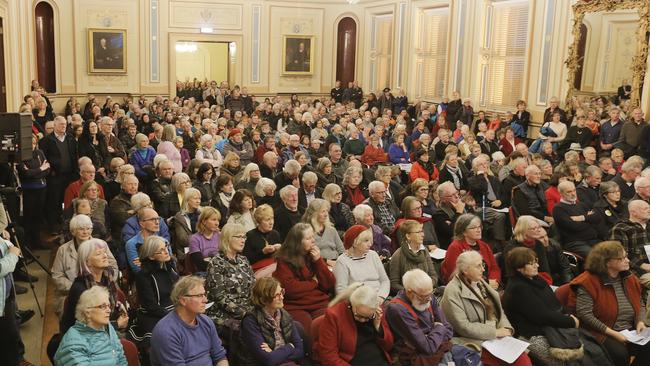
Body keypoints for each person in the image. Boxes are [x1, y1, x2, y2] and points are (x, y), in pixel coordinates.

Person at [440, 251, 532, 366]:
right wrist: (495, 332)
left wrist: (506, 328)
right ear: (465, 270)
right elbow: (463, 327)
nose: (483, 269)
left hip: (494, 337)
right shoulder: (452, 291)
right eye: (478, 266)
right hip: (471, 341)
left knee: (523, 359)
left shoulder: (480, 282)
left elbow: (499, 312)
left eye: (482, 265)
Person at [569, 241, 650, 366]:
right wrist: (614, 334)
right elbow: (585, 314)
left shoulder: (629, 277)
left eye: (626, 256)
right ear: (607, 262)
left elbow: (639, 301)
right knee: (620, 353)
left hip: (630, 329)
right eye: (621, 258)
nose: (627, 260)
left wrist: (640, 321)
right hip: (602, 331)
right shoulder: (588, 282)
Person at [502, 247, 580, 365]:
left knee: (586, 349)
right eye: (531, 264)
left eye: (536, 262)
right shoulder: (518, 288)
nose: (537, 266)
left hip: (549, 325)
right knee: (563, 362)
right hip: (530, 333)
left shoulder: (536, 279)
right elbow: (540, 316)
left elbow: (555, 304)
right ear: (519, 268)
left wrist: (567, 317)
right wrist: (569, 321)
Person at [385, 269, 466, 366]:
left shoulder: (428, 296)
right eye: (424, 296)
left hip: (438, 349)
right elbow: (427, 348)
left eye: (431, 293)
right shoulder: (397, 309)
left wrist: (432, 337)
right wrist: (439, 328)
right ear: (410, 292)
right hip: (415, 357)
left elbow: (448, 330)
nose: (430, 298)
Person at [150, 276, 229, 366]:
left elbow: (220, 356)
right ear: (183, 300)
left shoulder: (206, 321)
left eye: (204, 295)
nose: (205, 300)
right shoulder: (166, 332)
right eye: (199, 296)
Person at [273, 223, 336, 333]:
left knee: (327, 324)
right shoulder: (284, 259)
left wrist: (318, 261)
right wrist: (313, 283)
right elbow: (290, 289)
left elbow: (329, 283)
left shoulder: (313, 255)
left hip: (317, 301)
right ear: (297, 242)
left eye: (312, 236)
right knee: (307, 328)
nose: (313, 241)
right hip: (295, 305)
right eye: (308, 238)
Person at [51, 215, 118, 316]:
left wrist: (103, 285)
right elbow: (57, 276)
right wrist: (77, 289)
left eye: (88, 228)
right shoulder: (63, 250)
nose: (85, 232)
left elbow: (113, 267)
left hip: (102, 288)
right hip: (70, 292)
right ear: (73, 231)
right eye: (81, 229)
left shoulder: (101, 245)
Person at [60, 239, 127, 335]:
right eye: (99, 254)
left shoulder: (107, 278)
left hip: (107, 327)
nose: (105, 256)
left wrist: (119, 306)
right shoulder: (80, 288)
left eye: (104, 252)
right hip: (84, 336)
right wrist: (117, 324)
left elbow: (111, 303)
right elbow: (87, 326)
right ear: (87, 262)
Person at [316, 283, 394, 365]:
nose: (363, 320)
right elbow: (328, 356)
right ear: (351, 304)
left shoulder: (376, 312)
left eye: (368, 317)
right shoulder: (335, 315)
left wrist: (378, 327)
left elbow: (388, 346)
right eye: (359, 316)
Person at [240, 277, 307, 365]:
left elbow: (300, 351)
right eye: (277, 295)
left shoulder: (284, 315)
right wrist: (290, 347)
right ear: (264, 299)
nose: (282, 297)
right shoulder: (250, 321)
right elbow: (268, 360)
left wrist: (275, 353)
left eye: (282, 292)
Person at [54, 286, 128, 366]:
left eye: (108, 306)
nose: (109, 310)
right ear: (87, 312)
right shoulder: (73, 344)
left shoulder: (107, 327)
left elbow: (121, 357)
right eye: (103, 306)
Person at [129, 236, 179, 349]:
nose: (166, 251)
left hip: (175, 310)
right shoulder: (143, 275)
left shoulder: (170, 267)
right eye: (161, 250)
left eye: (165, 247)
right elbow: (150, 306)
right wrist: (174, 316)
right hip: (154, 315)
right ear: (151, 256)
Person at [205, 223, 255, 333]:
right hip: (224, 314)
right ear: (227, 238)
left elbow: (254, 288)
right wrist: (244, 313)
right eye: (239, 237)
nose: (243, 240)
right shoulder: (216, 263)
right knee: (250, 329)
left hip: (249, 311)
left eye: (244, 237)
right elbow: (219, 297)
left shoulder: (243, 260)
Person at [505, 215, 573, 285]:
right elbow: (514, 275)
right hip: (523, 285)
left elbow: (545, 271)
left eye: (539, 227)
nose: (539, 230)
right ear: (524, 231)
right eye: (534, 228)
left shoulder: (538, 244)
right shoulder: (512, 248)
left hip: (543, 281)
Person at [441, 214, 501, 288]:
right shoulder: (455, 247)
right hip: (466, 289)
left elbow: (494, 268)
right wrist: (486, 283)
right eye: (473, 228)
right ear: (463, 232)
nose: (478, 230)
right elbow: (456, 276)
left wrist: (495, 281)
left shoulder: (484, 245)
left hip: (488, 286)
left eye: (479, 227)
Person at [335, 225, 390, 298]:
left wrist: (381, 297)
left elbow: (385, 281)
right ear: (355, 242)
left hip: (379, 298)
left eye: (370, 240)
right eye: (366, 241)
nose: (370, 244)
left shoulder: (373, 255)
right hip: (359, 302)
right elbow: (341, 290)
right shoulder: (342, 261)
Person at [552, 180, 601, 257]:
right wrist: (589, 219)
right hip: (575, 242)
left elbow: (597, 218)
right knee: (596, 256)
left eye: (574, 190)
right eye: (569, 192)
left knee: (611, 250)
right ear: (561, 193)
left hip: (592, 239)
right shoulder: (558, 209)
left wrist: (582, 218)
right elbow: (573, 226)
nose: (573, 193)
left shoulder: (581, 204)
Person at [389, 220, 438, 293]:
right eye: (418, 232)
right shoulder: (397, 255)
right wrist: (412, 292)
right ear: (408, 236)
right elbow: (394, 284)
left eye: (422, 231)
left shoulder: (424, 251)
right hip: (408, 295)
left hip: (427, 291)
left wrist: (427, 287)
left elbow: (433, 276)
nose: (423, 235)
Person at [0, 230, 22, 365]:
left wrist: (7, 244)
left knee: (11, 337)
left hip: (6, 298)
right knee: (8, 340)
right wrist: (13, 255)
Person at [303, 198, 344, 266]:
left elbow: (341, 250)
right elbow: (307, 255)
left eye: (326, 211)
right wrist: (327, 261)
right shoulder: (306, 231)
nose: (326, 214)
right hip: (317, 265)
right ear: (314, 214)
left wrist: (340, 263)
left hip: (336, 262)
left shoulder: (331, 229)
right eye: (322, 211)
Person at [243, 204, 282, 275]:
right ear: (259, 221)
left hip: (274, 267)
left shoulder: (275, 234)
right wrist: (263, 252)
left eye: (272, 218)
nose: (271, 222)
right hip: (258, 270)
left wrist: (280, 249)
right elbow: (247, 260)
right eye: (267, 220)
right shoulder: (250, 235)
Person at [170, 188, 201, 266]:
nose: (198, 201)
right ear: (187, 200)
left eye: (199, 198)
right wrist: (202, 240)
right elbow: (183, 240)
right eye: (195, 198)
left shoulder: (202, 214)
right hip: (186, 252)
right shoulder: (179, 217)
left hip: (203, 249)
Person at [188, 207, 221, 273]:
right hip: (203, 273)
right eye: (213, 220)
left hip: (220, 270)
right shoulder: (195, 239)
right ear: (204, 221)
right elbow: (200, 264)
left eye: (218, 220)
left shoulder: (220, 235)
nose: (217, 223)